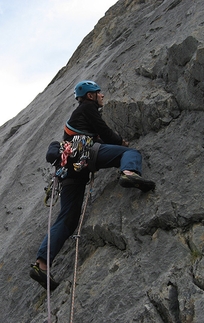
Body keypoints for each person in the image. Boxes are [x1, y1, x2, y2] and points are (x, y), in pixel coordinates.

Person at [30, 80, 155, 291]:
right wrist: (121, 142)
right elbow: (105, 133)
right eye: (99, 93)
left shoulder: (78, 119)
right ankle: (129, 172)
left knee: (68, 219)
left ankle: (41, 265)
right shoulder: (87, 109)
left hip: (70, 170)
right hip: (86, 156)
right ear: (90, 96)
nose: (103, 96)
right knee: (131, 153)